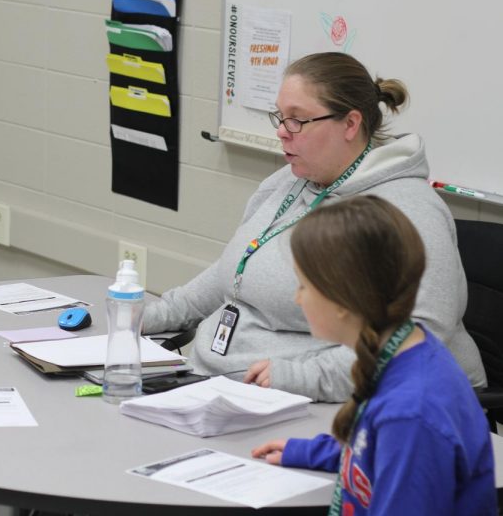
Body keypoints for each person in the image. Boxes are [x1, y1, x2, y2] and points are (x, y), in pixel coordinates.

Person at [142, 52, 485, 402]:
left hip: (324, 400)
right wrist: (147, 315)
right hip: (221, 384)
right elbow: (233, 271)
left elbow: (415, 337)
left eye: (297, 120)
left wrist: (299, 377)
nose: (281, 131)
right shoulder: (290, 182)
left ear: (350, 124)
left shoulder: (407, 211)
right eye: (280, 116)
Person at [251, 196, 495, 515]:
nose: (297, 299)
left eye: (304, 286)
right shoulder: (407, 350)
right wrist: (314, 452)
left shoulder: (411, 413)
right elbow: (375, 447)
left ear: (342, 299)